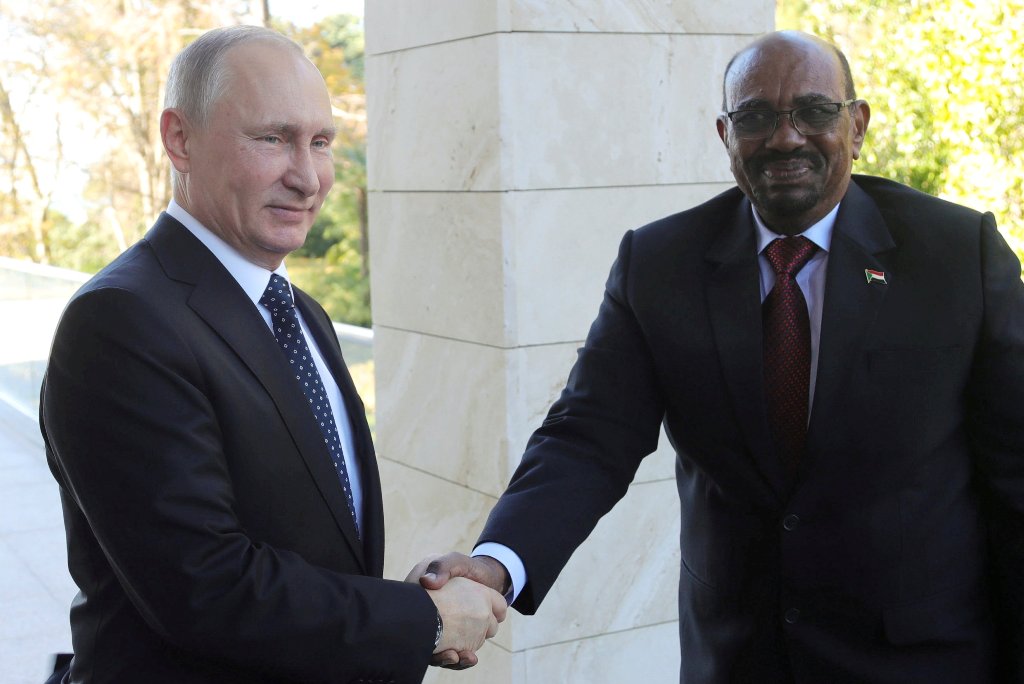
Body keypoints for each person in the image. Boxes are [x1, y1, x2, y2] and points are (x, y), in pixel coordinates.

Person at [416, 30, 1024, 683]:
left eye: (815, 112)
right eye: (756, 116)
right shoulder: (659, 266)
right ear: (724, 135)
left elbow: (1015, 468)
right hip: (739, 656)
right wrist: (497, 564)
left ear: (857, 126)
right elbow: (587, 439)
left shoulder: (957, 254)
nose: (785, 137)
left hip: (923, 660)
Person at [41, 25, 505, 684]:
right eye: (272, 139)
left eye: (321, 143)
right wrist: (421, 620)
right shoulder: (120, 320)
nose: (308, 177)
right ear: (179, 139)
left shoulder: (300, 314)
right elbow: (205, 587)